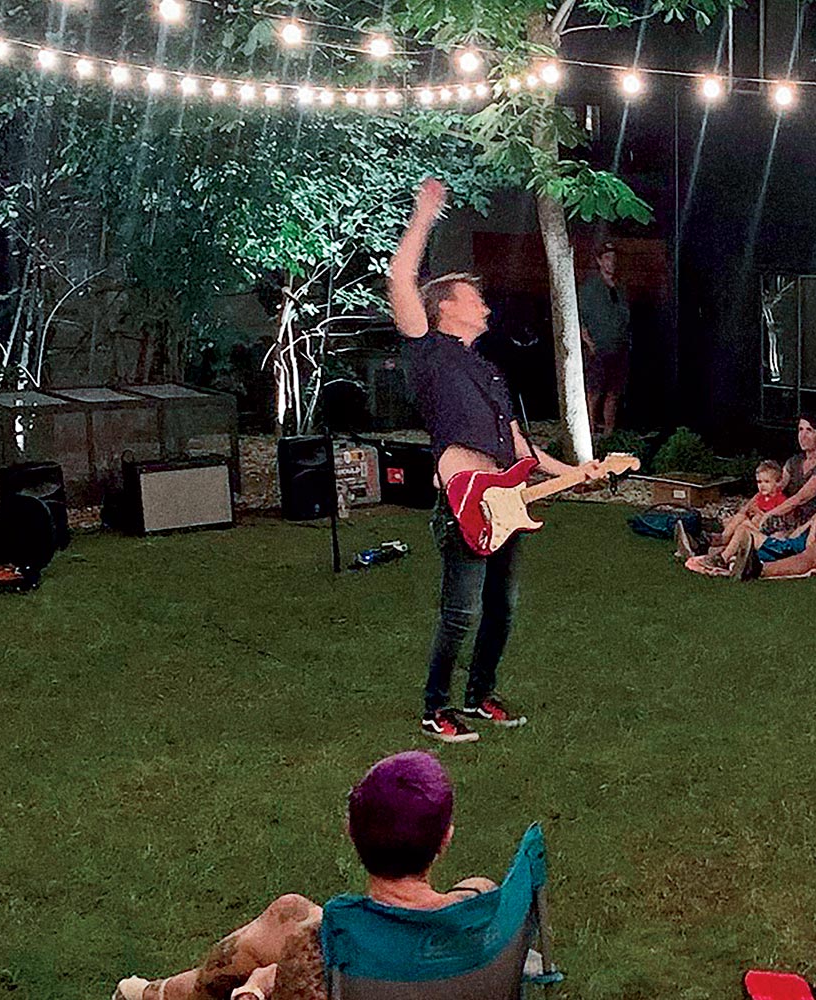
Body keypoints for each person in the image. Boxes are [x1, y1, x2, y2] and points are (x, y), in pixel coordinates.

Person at [391, 178, 603, 742]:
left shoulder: (487, 371)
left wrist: (576, 472)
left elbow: (519, 448)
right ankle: (436, 707)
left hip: (505, 499)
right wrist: (423, 215)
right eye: (474, 296)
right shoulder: (429, 352)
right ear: (446, 310)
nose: (485, 303)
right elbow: (399, 280)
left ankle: (480, 695)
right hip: (463, 499)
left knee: (501, 611)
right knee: (459, 613)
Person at [113, 752, 500, 1000]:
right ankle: (155, 994)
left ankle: (156, 995)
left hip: (359, 961)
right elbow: (475, 889)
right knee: (290, 911)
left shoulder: (322, 945)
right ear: (446, 838)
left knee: (287, 931)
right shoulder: (489, 917)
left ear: (350, 831)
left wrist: (258, 989)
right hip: (426, 957)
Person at [675, 414, 816, 558]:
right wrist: (745, 509)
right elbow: (774, 488)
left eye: (810, 430)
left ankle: (710, 549)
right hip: (782, 514)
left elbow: (800, 498)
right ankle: (707, 546)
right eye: (800, 429)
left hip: (799, 521)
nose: (803, 436)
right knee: (741, 517)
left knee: (748, 524)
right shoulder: (794, 461)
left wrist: (769, 514)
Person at [698, 496, 816, 580]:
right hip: (784, 545)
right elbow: (796, 535)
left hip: (786, 552)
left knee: (745, 530)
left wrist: (813, 526)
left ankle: (721, 559)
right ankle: (710, 550)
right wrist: (811, 523)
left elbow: (810, 548)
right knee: (745, 527)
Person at [577, 242, 631, 435]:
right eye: (607, 258)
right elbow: (579, 317)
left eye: (613, 258)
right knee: (594, 391)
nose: (611, 263)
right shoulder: (590, 288)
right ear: (599, 261)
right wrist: (588, 342)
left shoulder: (620, 287)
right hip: (597, 348)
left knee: (614, 392)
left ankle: (609, 432)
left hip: (619, 348)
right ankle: (589, 432)